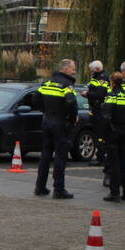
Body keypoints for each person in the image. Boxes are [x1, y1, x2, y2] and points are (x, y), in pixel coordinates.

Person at [34, 58, 78, 199]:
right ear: (65, 69)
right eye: (73, 69)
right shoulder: (67, 85)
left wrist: (45, 111)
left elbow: (36, 98)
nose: (74, 71)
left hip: (47, 121)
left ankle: (39, 187)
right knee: (60, 156)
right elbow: (71, 102)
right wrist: (71, 118)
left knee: (45, 155)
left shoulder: (47, 82)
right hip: (60, 123)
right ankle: (59, 189)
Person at [101, 71, 125, 202]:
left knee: (114, 163)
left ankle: (114, 193)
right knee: (124, 162)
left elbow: (106, 117)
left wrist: (103, 136)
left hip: (113, 133)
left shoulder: (112, 95)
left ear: (112, 82)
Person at [82, 60, 110, 167]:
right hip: (96, 109)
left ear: (97, 69)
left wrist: (87, 94)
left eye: (91, 70)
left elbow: (100, 94)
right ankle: (101, 156)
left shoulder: (102, 78)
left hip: (100, 110)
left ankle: (101, 157)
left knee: (100, 134)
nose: (90, 72)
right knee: (99, 134)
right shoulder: (97, 77)